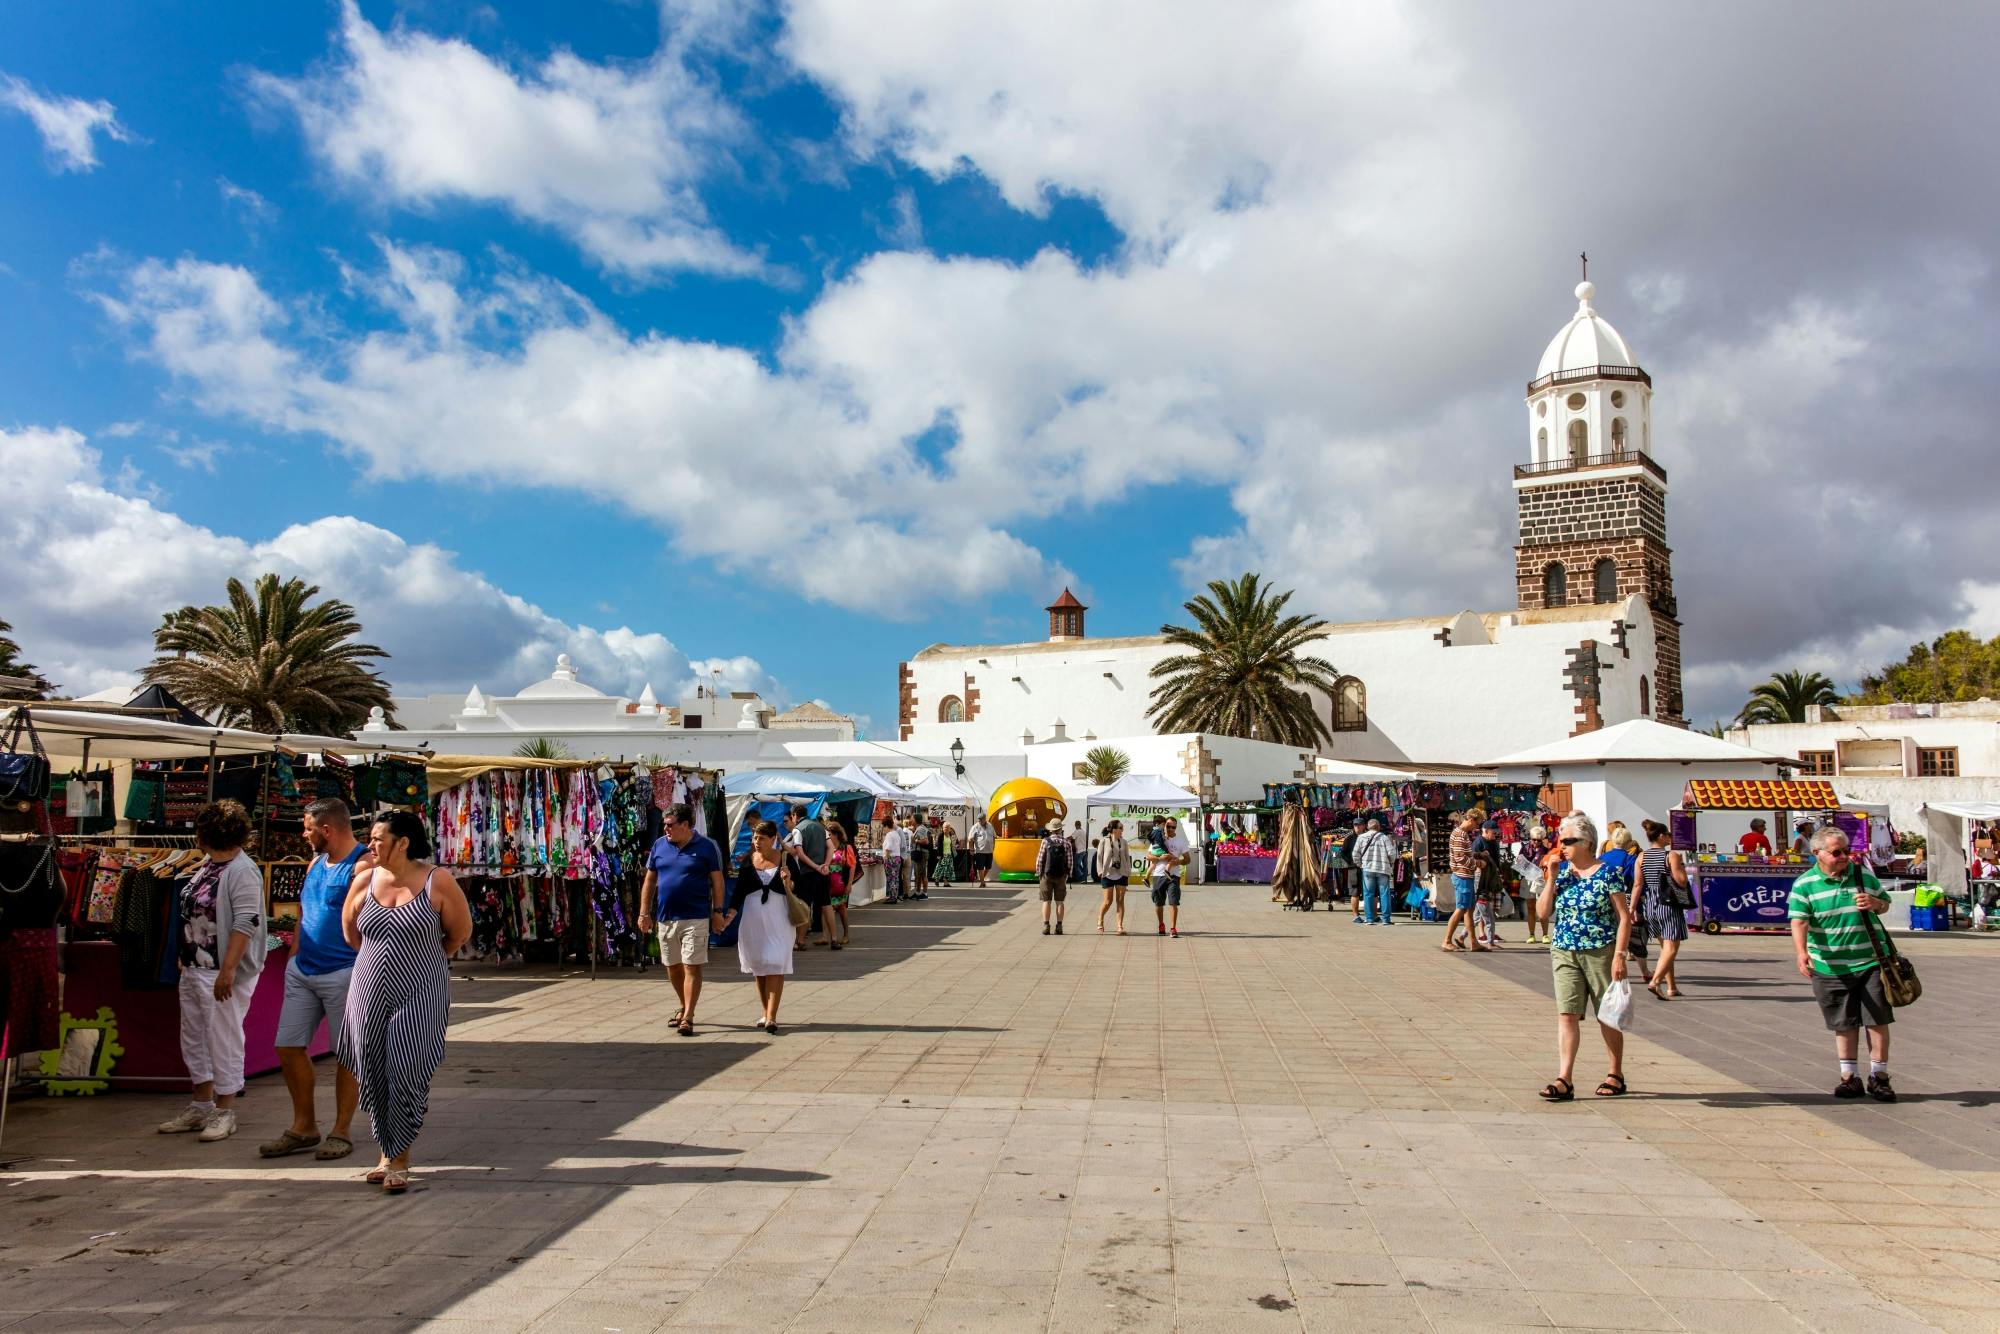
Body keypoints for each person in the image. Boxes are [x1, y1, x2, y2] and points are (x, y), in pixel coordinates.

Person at [338, 810, 473, 1194]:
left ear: (403, 842)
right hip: (368, 989)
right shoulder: (364, 879)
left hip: (420, 991)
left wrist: (423, 961)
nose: (371, 845)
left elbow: (459, 933)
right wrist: (379, 960)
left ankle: (401, 1158)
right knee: (374, 1067)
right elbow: (350, 931)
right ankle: (386, 1153)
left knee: (407, 1067)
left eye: (379, 838)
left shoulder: (437, 880)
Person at [259, 798, 368, 1161]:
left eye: (307, 828)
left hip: (343, 971)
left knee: (347, 1053)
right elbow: (306, 910)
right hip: (304, 969)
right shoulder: (316, 862)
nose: (303, 835)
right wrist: (293, 959)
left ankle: (341, 1130)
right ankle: (304, 1126)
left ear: (326, 829)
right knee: (288, 1046)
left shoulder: (364, 864)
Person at [157, 799, 270, 1144]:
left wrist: (229, 969)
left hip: (222, 969)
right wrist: (186, 952)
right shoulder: (209, 865)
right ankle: (201, 1104)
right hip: (197, 966)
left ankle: (224, 1108)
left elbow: (245, 922)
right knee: (194, 1036)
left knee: (222, 1036)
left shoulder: (242, 870)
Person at [1789, 826, 1897, 1102]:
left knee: (1877, 1019)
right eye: (1836, 852)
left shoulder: (1861, 875)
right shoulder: (1805, 884)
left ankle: (1879, 1076)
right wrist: (1801, 953)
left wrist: (1874, 903)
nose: (1844, 856)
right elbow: (1799, 920)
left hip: (1871, 960)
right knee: (1844, 1022)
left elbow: (1885, 903)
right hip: (1830, 965)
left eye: (1846, 851)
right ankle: (1849, 1077)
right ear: (1817, 853)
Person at [1537, 812, 1633, 1102]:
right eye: (1560, 841)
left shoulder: (1607, 873)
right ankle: (1564, 1077)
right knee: (1567, 1013)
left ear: (1587, 842)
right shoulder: (1563, 875)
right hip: (1565, 949)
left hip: (1600, 950)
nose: (1561, 846)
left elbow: (1624, 917)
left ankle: (1615, 1073)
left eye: (1568, 841)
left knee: (1607, 1014)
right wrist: (1551, 879)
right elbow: (1543, 913)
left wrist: (1619, 955)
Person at [636, 802, 726, 1037]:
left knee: (691, 966)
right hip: (666, 917)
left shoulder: (707, 847)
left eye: (669, 825)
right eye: (664, 825)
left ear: (685, 824)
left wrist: (718, 912)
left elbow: (717, 881)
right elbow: (649, 881)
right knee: (672, 966)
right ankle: (684, 1004)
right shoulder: (659, 845)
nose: (665, 829)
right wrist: (644, 912)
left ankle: (688, 1016)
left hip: (695, 916)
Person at [723, 821, 796, 1035]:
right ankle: (765, 1012)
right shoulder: (748, 861)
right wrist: (729, 917)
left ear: (773, 839)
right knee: (759, 967)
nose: (756, 842)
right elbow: (738, 893)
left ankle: (772, 1017)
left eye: (761, 838)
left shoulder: (786, 859)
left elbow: (797, 888)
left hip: (779, 917)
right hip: (753, 919)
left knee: (775, 962)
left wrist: (788, 880)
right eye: (754, 838)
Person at [1638, 820, 1691, 999]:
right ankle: (1656, 981)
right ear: (1661, 836)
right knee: (1671, 947)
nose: (1670, 837)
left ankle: (1671, 986)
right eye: (1668, 834)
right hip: (1668, 902)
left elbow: (1638, 884)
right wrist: (1681, 867)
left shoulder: (1642, 856)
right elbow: (1681, 880)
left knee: (1665, 947)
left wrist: (1631, 908)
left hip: (1650, 903)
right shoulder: (1671, 856)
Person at [784, 807, 839, 950]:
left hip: (808, 873)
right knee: (827, 905)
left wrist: (815, 867)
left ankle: (800, 941)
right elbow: (831, 847)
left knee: (805, 906)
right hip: (823, 873)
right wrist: (825, 865)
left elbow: (800, 854)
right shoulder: (821, 827)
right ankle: (834, 938)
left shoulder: (798, 830)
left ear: (794, 815)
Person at [1600, 825, 1642, 963]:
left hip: (1604, 896)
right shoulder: (1630, 859)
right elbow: (1634, 881)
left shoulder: (1602, 858)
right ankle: (1627, 952)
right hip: (1624, 896)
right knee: (1625, 926)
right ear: (1629, 842)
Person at [1441, 811, 1481, 952]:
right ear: (1470, 819)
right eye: (1477, 823)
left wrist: (1477, 855)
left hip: (1466, 876)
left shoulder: (1462, 834)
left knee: (1469, 910)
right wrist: (1477, 863)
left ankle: (1473, 942)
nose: (1476, 827)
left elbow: (1464, 854)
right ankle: (1446, 940)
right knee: (1461, 908)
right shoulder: (1459, 834)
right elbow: (1460, 858)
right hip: (1462, 876)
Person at [1150, 816, 1191, 938]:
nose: (1170, 829)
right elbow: (1149, 856)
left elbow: (1188, 859)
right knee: (1158, 903)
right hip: (1158, 874)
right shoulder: (1158, 838)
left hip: (1173, 875)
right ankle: (1161, 924)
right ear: (1164, 825)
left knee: (1173, 902)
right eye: (1168, 826)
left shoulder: (1181, 841)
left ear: (1176, 828)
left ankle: (1173, 928)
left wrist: (1177, 862)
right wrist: (1159, 858)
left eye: (1173, 827)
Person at [1353, 818, 1396, 925]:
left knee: (1368, 894)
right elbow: (1392, 853)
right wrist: (1390, 863)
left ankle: (1369, 919)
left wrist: (1360, 865)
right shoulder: (1384, 838)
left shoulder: (1361, 837)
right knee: (1384, 894)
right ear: (1379, 827)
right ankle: (1386, 919)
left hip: (1367, 869)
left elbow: (1355, 854)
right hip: (1382, 869)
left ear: (1367, 827)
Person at [1514, 826, 1552, 944]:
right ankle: (1531, 934)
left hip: (1540, 880)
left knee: (1542, 909)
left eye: (1539, 840)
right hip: (1528, 879)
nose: (1536, 842)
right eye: (1534, 839)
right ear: (1530, 839)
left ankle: (1545, 935)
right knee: (1530, 908)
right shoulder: (1524, 849)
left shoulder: (1546, 850)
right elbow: (1519, 864)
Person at [1471, 819, 1504, 948]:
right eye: (1493, 831)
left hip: (1492, 878)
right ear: (1485, 831)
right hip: (1482, 881)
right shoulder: (1478, 842)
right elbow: (1474, 859)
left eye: (1497, 831)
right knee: (1483, 910)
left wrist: (1500, 873)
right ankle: (1484, 936)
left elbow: (1496, 860)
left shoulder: (1494, 843)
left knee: (1485, 910)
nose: (1495, 834)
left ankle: (1463, 937)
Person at [1094, 820, 1131, 934]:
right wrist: (1100, 871)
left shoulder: (1123, 842)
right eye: (1121, 828)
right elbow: (1099, 857)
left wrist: (1128, 871)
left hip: (1121, 873)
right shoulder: (1104, 841)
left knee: (1120, 900)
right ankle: (1100, 919)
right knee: (1108, 902)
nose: (1122, 830)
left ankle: (1120, 926)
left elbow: (1127, 857)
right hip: (1108, 874)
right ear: (1114, 829)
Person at [1036, 822, 1071, 935]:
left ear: (1051, 830)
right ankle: (1059, 926)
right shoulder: (1067, 842)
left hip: (1047, 875)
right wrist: (1067, 875)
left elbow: (1040, 859)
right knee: (1060, 901)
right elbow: (1070, 862)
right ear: (1061, 829)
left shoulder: (1045, 841)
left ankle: (1046, 926)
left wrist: (1039, 873)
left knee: (1047, 901)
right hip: (1061, 875)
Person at [826, 822, 856, 946]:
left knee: (842, 909)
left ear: (836, 834)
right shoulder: (826, 848)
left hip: (840, 882)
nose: (828, 837)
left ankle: (846, 935)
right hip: (828, 882)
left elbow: (852, 866)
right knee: (827, 908)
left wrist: (849, 884)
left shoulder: (846, 848)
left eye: (830, 834)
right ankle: (828, 936)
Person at [880, 817, 907, 902]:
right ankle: (894, 896)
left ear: (886, 826)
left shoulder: (889, 835)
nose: (883, 829)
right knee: (895, 878)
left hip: (891, 858)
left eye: (883, 827)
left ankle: (892, 897)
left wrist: (885, 858)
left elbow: (888, 848)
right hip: (897, 858)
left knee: (891, 878)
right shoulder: (896, 834)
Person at [908, 815, 933, 899]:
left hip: (921, 854)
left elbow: (926, 841)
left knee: (922, 874)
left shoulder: (921, 828)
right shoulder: (919, 828)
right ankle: (918, 892)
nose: (911, 820)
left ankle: (924, 893)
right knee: (918, 874)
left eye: (912, 818)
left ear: (916, 820)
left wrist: (915, 840)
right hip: (919, 853)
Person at [969, 815, 994, 887]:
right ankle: (982, 882)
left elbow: (993, 836)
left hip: (989, 850)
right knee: (980, 867)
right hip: (980, 851)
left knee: (988, 867)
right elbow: (970, 839)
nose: (979, 821)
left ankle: (981, 878)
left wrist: (993, 847)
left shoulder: (990, 825)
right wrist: (971, 849)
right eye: (978, 819)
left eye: (981, 819)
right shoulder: (975, 827)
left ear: (984, 819)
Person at [935, 822, 956, 886]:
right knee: (940, 868)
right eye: (945, 827)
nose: (947, 829)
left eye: (948, 827)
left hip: (949, 854)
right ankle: (937, 879)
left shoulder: (950, 835)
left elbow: (952, 844)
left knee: (947, 869)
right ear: (943, 828)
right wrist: (939, 855)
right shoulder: (941, 835)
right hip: (943, 854)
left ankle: (945, 882)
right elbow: (939, 846)